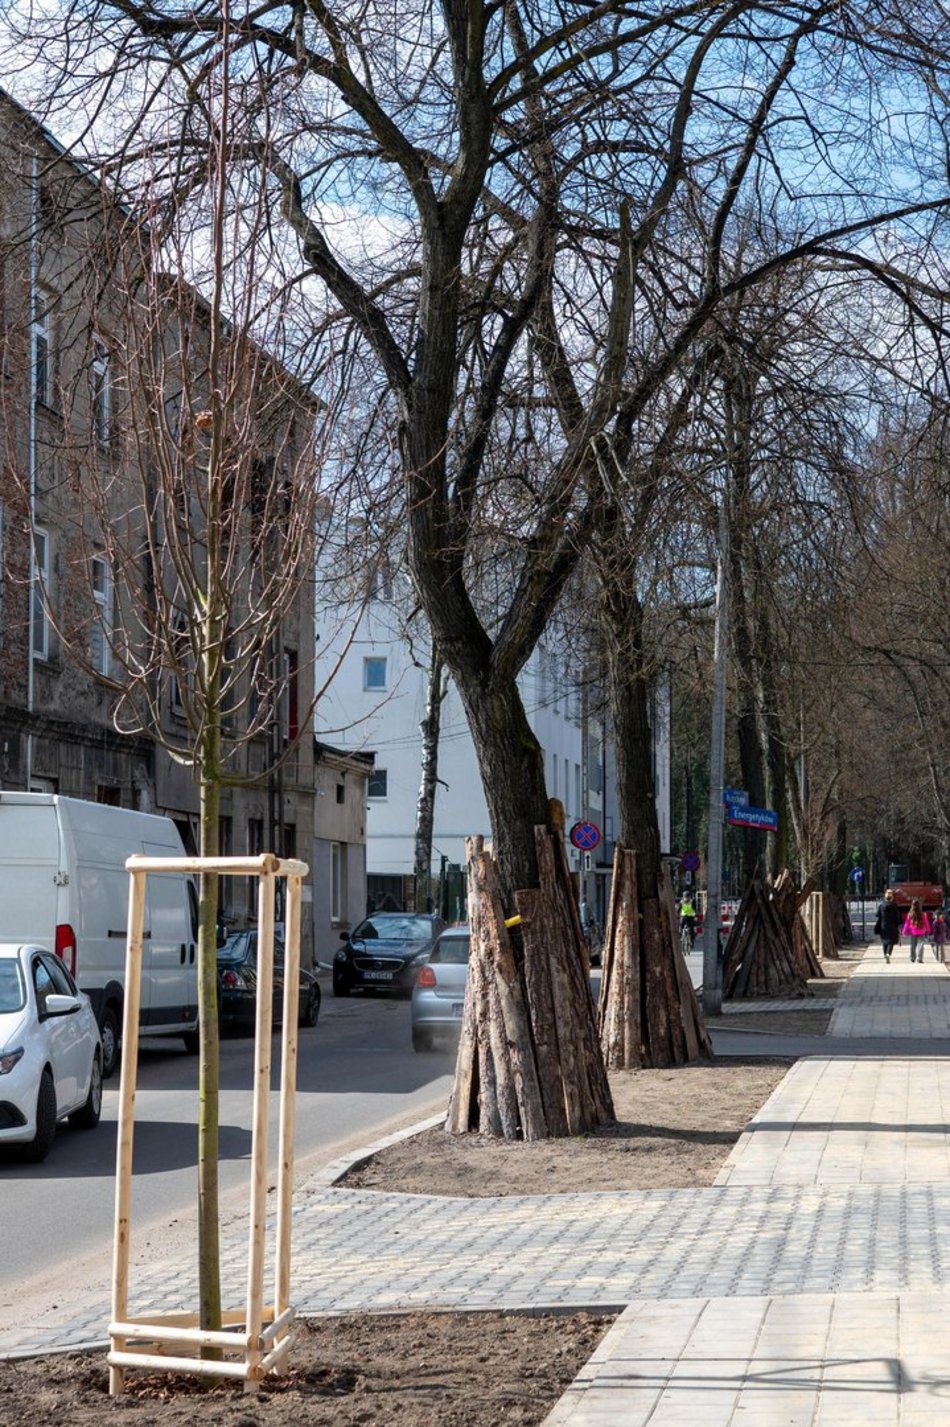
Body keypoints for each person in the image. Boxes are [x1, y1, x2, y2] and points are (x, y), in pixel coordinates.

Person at [902, 897, 932, 964]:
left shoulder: (910, 914)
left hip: (913, 932)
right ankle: (919, 958)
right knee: (920, 945)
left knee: (913, 945)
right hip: (921, 932)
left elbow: (906, 923)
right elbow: (926, 923)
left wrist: (904, 931)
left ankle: (912, 958)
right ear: (919, 906)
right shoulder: (923, 914)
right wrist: (928, 930)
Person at [876, 888, 901, 963]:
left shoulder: (881, 905)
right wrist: (898, 925)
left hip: (883, 925)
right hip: (892, 926)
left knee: (884, 941)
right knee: (891, 941)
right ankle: (888, 953)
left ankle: (884, 954)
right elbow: (897, 916)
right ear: (892, 897)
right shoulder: (894, 905)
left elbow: (877, 915)